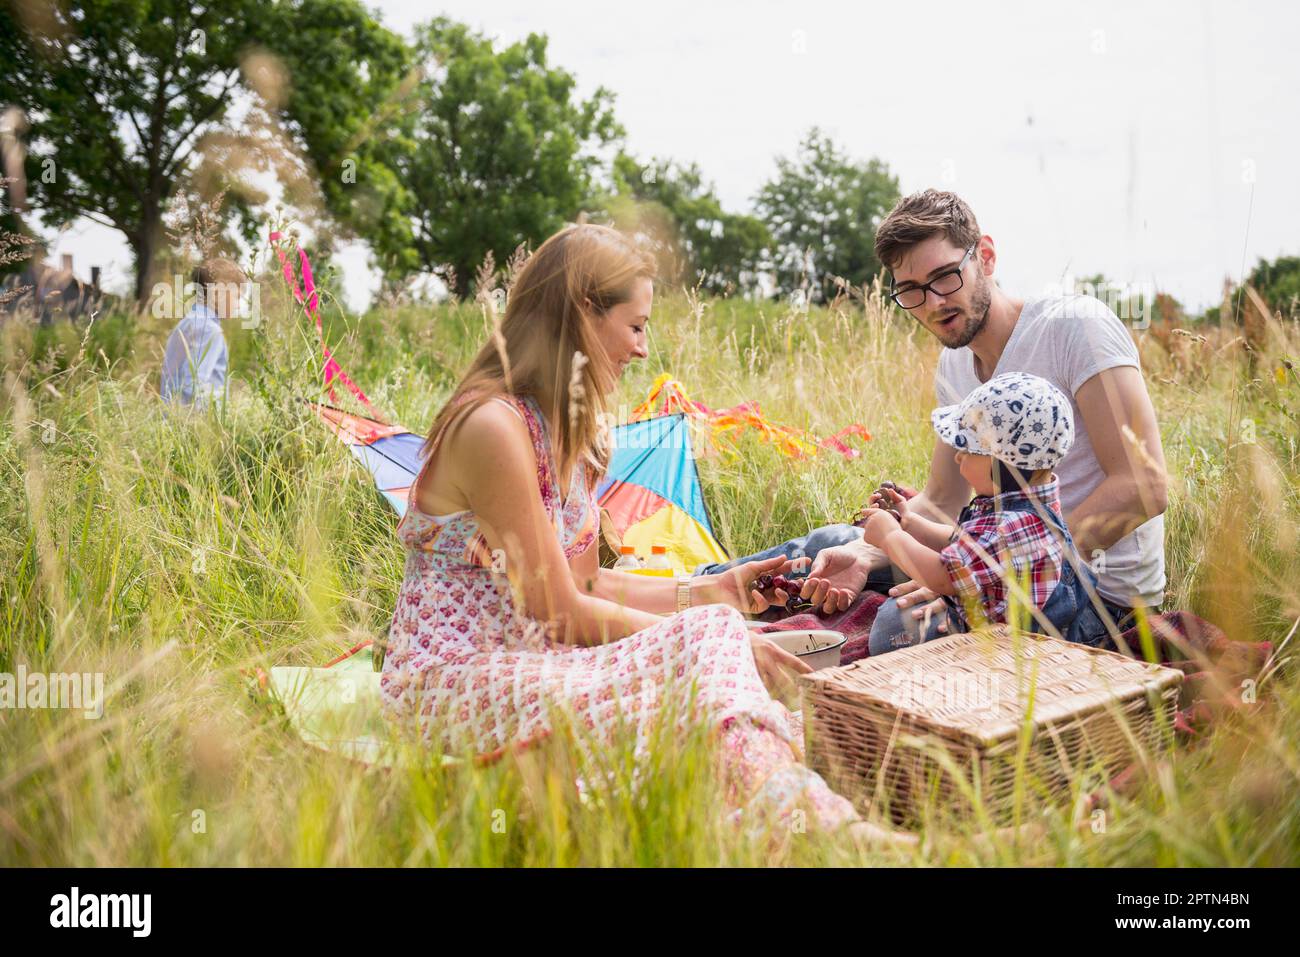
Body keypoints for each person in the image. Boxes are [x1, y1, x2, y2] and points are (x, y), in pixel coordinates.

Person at [379, 223, 902, 841]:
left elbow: (591, 581)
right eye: (635, 326)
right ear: (580, 314)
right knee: (711, 650)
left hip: (536, 662)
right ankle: (820, 834)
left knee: (703, 678)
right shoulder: (493, 427)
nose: (642, 350)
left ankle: (797, 825)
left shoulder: (566, 431)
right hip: (455, 682)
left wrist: (714, 591)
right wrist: (711, 632)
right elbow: (561, 612)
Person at [701, 190, 1168, 648]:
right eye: (911, 291)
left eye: (946, 277)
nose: (932, 304)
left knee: (899, 623)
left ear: (984, 256)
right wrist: (869, 551)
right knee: (832, 543)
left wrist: (973, 576)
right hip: (989, 564)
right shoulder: (956, 365)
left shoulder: (1074, 327)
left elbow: (1143, 486)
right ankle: (689, 600)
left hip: (1085, 596)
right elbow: (943, 499)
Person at [863, 372, 1104, 656]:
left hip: (1020, 650)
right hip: (1016, 619)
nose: (957, 456)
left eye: (967, 449)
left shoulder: (1009, 524)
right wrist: (909, 523)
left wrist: (889, 537)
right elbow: (964, 541)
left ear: (1002, 464)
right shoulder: (1029, 501)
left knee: (890, 629)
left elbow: (942, 577)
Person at [160, 258, 245, 409]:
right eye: (237, 297)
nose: (238, 305)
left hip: (174, 421)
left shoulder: (187, 322)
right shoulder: (210, 330)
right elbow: (193, 386)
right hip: (194, 425)